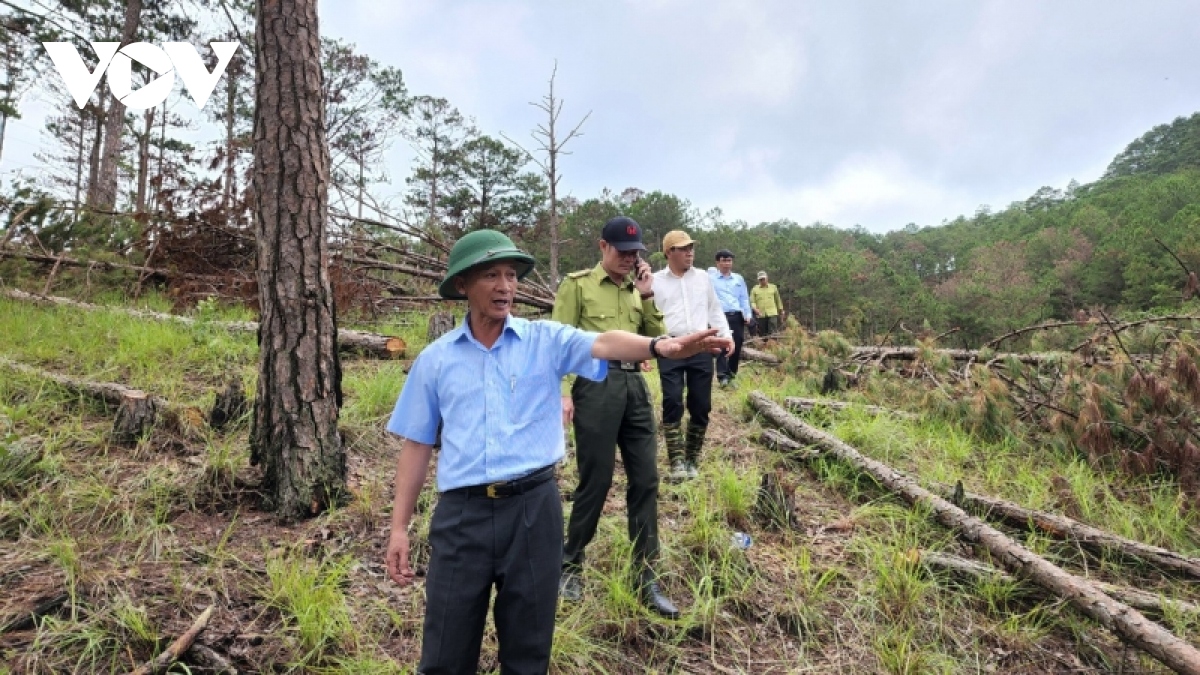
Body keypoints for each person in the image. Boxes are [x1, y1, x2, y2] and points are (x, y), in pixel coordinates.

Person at [385, 229, 729, 674]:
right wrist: (398, 528)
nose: (506, 285)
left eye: (511, 275)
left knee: (528, 653)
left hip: (533, 511)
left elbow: (602, 343)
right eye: (491, 275)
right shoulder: (436, 360)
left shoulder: (542, 340)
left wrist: (657, 345)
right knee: (445, 654)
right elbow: (416, 445)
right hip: (460, 518)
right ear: (463, 286)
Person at [554, 216, 728, 619]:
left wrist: (648, 297)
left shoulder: (638, 290)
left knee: (647, 480)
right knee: (595, 480)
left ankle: (646, 576)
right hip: (595, 385)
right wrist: (562, 391)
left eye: (634, 253)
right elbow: (558, 341)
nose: (628, 259)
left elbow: (659, 337)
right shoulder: (577, 285)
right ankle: (569, 564)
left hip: (635, 388)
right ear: (602, 247)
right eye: (621, 252)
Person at [652, 230, 732, 481]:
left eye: (691, 248)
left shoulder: (703, 279)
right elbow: (646, 316)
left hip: (700, 346)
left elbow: (714, 308)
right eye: (683, 248)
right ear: (669, 252)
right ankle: (676, 461)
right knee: (673, 401)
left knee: (701, 404)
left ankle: (691, 458)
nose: (690, 252)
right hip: (671, 346)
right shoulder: (655, 281)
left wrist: (727, 335)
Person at [708, 248, 752, 387]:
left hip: (737, 315)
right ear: (717, 262)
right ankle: (722, 376)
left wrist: (748, 314)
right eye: (724, 260)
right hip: (720, 316)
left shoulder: (738, 279)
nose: (727, 263)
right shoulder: (711, 279)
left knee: (737, 345)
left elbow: (744, 298)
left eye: (729, 260)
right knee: (722, 344)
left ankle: (732, 374)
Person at [751, 270, 786, 338]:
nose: (762, 281)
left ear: (767, 278)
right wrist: (755, 309)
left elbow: (778, 300)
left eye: (763, 279)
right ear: (758, 280)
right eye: (760, 279)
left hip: (772, 313)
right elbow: (752, 302)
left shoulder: (773, 287)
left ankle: (773, 346)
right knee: (762, 334)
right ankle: (764, 347)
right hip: (760, 315)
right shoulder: (754, 289)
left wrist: (781, 310)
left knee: (772, 332)